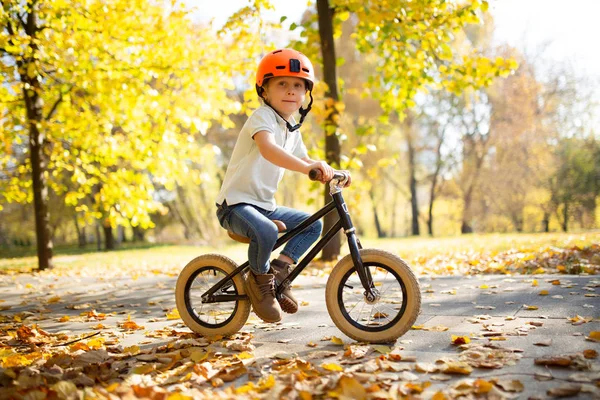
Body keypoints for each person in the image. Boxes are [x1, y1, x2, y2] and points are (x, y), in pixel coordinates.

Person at [215, 48, 347, 323]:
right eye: (282, 84)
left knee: (313, 224)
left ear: (305, 96)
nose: (291, 91)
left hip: (264, 207)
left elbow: (305, 159)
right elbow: (268, 149)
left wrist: (327, 169)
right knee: (264, 229)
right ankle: (260, 284)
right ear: (264, 92)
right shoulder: (262, 118)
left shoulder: (291, 129)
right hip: (235, 206)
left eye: (298, 85)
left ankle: (279, 272)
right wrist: (307, 167)